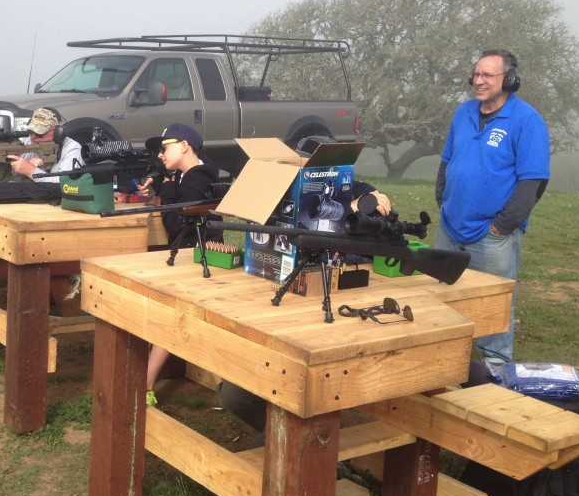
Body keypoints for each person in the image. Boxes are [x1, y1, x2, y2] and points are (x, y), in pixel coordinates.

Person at [217, 134, 392, 434]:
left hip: (328, 307)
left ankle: (306, 446)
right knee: (237, 393)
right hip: (279, 298)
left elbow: (383, 208)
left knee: (311, 387)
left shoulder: (352, 189)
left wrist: (362, 204)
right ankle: (294, 440)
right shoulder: (280, 190)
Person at [435, 49, 550, 364]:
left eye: (488, 75)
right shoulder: (464, 112)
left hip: (491, 235)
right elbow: (448, 161)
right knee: (441, 305)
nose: (479, 81)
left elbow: (533, 182)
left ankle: (494, 375)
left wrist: (501, 227)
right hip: (450, 228)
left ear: (510, 80)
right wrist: (443, 198)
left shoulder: (527, 121)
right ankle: (442, 369)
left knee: (492, 310)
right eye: (476, 74)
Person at [135, 124, 223, 406]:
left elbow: (175, 224)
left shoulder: (194, 181)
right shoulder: (198, 173)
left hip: (195, 260)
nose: (160, 154)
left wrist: (168, 191)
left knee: (170, 319)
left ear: (185, 145)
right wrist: (164, 185)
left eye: (165, 148)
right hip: (196, 257)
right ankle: (224, 388)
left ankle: (146, 383)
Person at [6, 107, 84, 181]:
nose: (33, 137)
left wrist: (31, 171)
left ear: (58, 133)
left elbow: (65, 183)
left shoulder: (72, 149)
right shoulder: (26, 141)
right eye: (31, 131)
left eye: (39, 134)